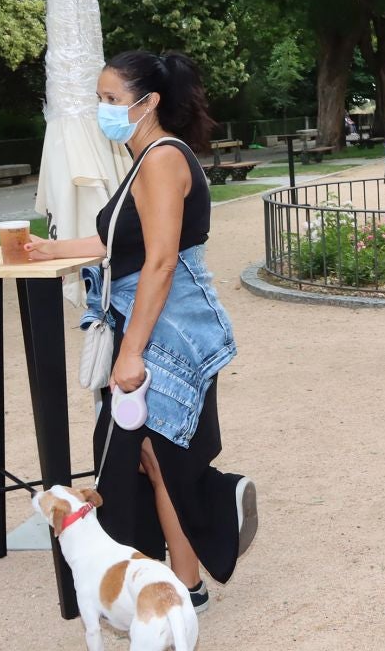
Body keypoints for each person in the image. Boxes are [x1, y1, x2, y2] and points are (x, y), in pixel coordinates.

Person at [26, 50, 256, 616]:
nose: (103, 110)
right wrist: (53, 248)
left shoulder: (159, 158)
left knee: (160, 456)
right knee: (153, 457)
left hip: (167, 334)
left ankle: (219, 505)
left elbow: (159, 261)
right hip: (157, 326)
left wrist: (130, 354)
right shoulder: (142, 158)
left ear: (148, 103)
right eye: (100, 99)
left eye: (111, 100)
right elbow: (118, 244)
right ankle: (187, 581)